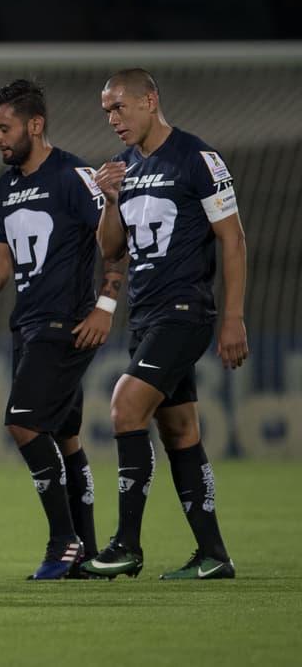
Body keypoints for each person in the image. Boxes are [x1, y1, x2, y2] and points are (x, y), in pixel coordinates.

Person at [81, 69, 246, 580]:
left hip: (185, 310)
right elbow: (111, 251)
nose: (113, 119)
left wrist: (234, 317)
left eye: (120, 107)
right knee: (179, 430)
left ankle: (126, 545)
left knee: (125, 406)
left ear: (150, 101)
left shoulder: (197, 158)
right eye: (107, 110)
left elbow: (233, 238)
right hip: (146, 313)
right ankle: (214, 555)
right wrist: (109, 199)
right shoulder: (123, 168)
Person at [0, 79, 122, 579]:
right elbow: (3, 257)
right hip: (26, 325)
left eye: (4, 128)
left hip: (66, 325)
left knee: (21, 423)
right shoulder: (9, 184)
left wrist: (106, 304)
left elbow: (115, 242)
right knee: (65, 436)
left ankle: (63, 540)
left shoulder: (74, 176)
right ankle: (87, 552)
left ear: (35, 125)